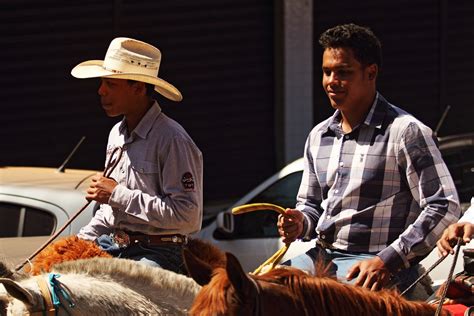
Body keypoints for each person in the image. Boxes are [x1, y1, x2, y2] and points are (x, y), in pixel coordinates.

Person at [277, 23, 461, 299]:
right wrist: (299, 222)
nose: (331, 81)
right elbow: (311, 206)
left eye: (343, 72)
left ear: (371, 73)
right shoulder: (319, 136)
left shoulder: (405, 132)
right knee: (257, 291)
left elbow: (444, 205)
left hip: (376, 265)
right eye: (327, 72)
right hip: (322, 257)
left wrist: (388, 260)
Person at [71, 37, 203, 274]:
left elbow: (187, 217)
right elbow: (110, 211)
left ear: (139, 88)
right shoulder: (116, 134)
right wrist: (78, 243)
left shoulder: (172, 139)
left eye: (111, 84)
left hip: (160, 252)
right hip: (115, 243)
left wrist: (117, 194)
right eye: (102, 82)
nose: (101, 91)